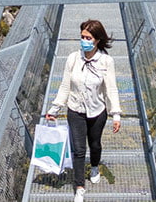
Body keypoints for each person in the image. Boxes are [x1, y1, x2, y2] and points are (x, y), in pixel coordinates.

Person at [45, 19, 122, 202]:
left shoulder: (106, 61)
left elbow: (111, 88)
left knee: (94, 145)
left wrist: (116, 114)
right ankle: (80, 187)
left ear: (97, 40)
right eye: (82, 37)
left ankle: (94, 166)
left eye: (88, 37)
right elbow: (65, 86)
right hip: (75, 110)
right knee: (78, 150)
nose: (84, 40)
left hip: (97, 111)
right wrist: (54, 109)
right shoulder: (73, 58)